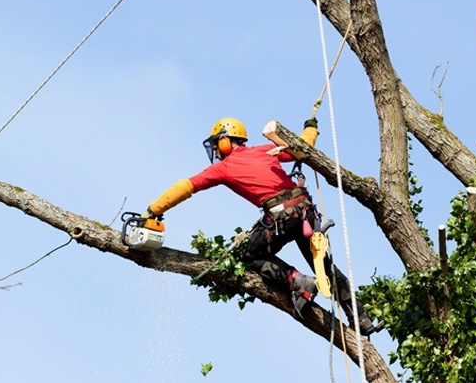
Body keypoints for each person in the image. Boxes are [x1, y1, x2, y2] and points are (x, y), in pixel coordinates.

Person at [142, 117, 378, 335]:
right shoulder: (265, 150)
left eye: (217, 145)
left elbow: (187, 186)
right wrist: (311, 128)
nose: (216, 151)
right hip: (305, 213)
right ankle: (360, 317)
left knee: (249, 256)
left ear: (225, 141)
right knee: (324, 267)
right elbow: (303, 147)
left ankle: (297, 281)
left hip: (282, 217)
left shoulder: (224, 167)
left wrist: (154, 210)